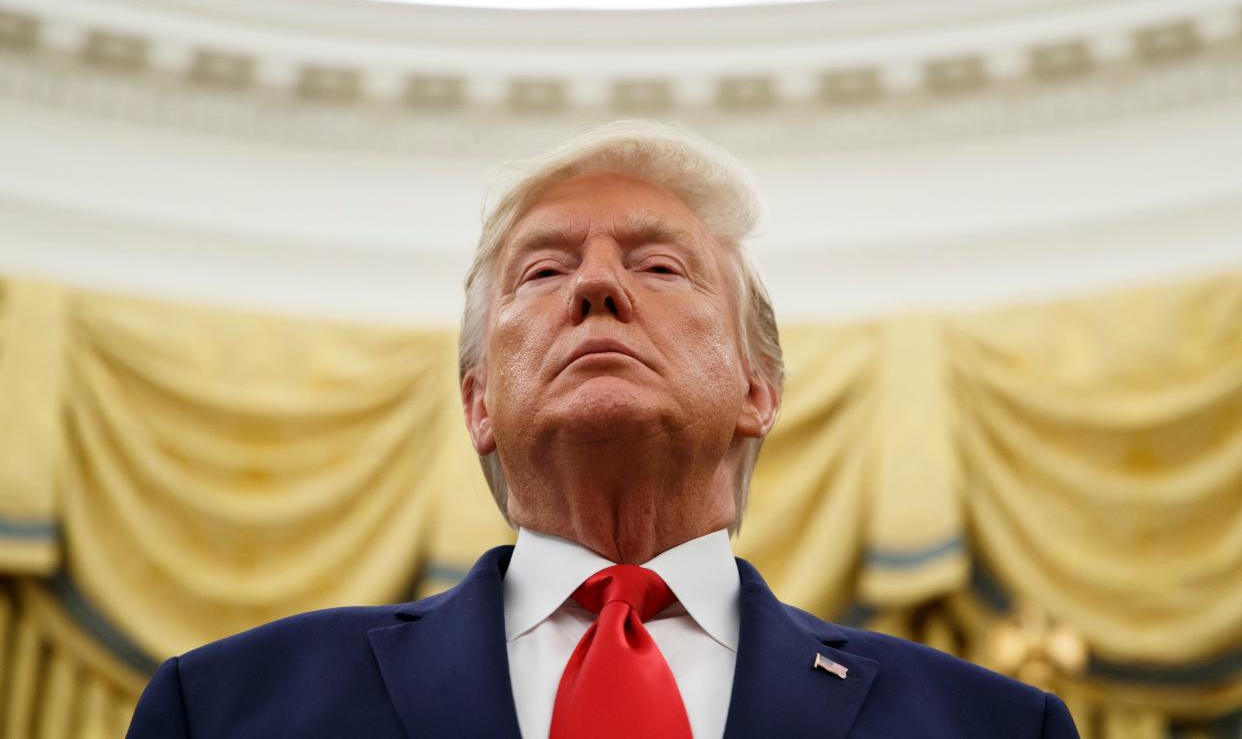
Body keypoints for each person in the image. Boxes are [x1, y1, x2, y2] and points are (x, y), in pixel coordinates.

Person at [127, 121, 1079, 737]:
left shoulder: (989, 728)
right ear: (479, 404)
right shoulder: (225, 712)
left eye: (660, 267)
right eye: (541, 273)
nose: (595, 285)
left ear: (758, 387)